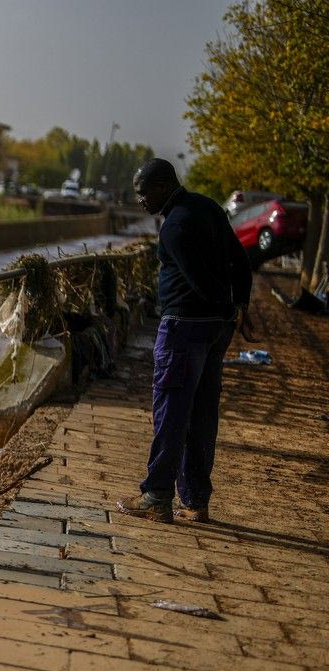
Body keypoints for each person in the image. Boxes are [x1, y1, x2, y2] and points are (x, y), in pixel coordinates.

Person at [116, 158, 253, 524]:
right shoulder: (207, 207)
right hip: (214, 331)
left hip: (183, 328)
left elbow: (199, 280)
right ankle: (195, 501)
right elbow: (240, 260)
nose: (140, 200)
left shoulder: (175, 226)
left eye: (143, 193)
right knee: (202, 413)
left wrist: (223, 306)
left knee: (171, 411)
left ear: (163, 186)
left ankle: (157, 497)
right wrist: (238, 306)